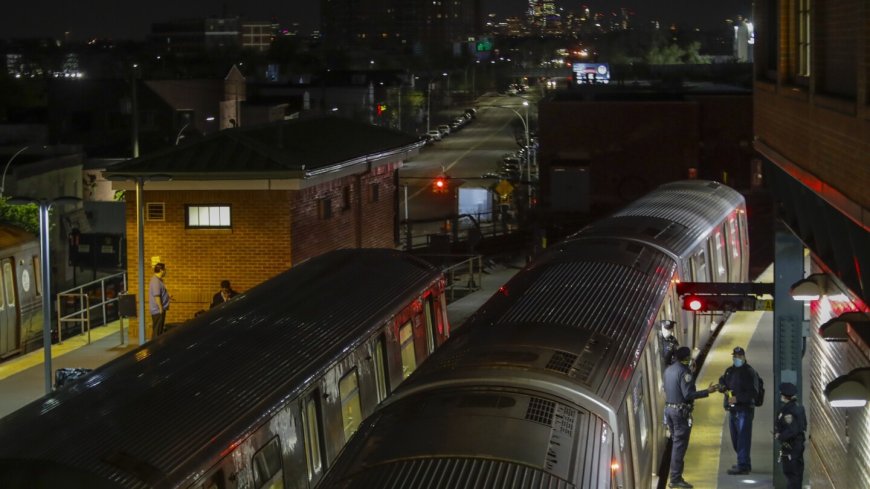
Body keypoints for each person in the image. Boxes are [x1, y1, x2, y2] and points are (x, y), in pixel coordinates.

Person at [664, 346, 718, 488]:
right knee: (679, 446)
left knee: (676, 443)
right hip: (680, 413)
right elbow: (688, 394)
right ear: (686, 358)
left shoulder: (668, 370)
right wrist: (708, 391)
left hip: (669, 410)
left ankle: (675, 476)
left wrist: (692, 374)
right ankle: (675, 478)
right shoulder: (684, 372)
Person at [717, 346, 761, 475]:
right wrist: (722, 386)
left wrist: (737, 398)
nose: (736, 359)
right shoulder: (730, 371)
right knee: (736, 438)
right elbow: (722, 380)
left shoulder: (749, 372)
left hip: (744, 410)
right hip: (733, 411)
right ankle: (743, 461)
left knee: (743, 438)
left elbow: (754, 392)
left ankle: (743, 465)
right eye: (735, 356)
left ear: (744, 357)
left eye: (739, 356)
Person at [775, 382, 807, 489]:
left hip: (791, 447)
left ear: (784, 396)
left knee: (792, 475)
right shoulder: (799, 408)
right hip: (796, 447)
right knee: (796, 474)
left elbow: (792, 430)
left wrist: (780, 436)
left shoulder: (788, 411)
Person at [149, 263, 170, 338]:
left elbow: (160, 293)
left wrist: (168, 296)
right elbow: (156, 296)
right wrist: (160, 308)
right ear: (161, 270)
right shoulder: (156, 281)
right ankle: (154, 348)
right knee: (157, 332)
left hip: (159, 309)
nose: (166, 271)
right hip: (158, 310)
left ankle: (155, 347)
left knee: (158, 331)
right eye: (165, 270)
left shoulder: (158, 280)